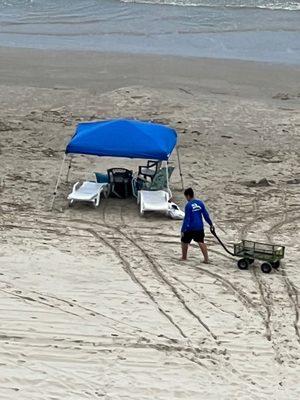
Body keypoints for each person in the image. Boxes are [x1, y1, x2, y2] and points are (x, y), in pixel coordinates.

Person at [181, 187, 214, 263]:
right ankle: (206, 259)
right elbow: (206, 215)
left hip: (190, 228)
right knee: (201, 241)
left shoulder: (188, 205)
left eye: (186, 197)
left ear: (188, 196)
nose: (186, 198)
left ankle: (184, 257)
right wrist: (210, 223)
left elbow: (186, 219)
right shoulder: (200, 203)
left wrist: (183, 230)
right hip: (199, 227)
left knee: (184, 241)